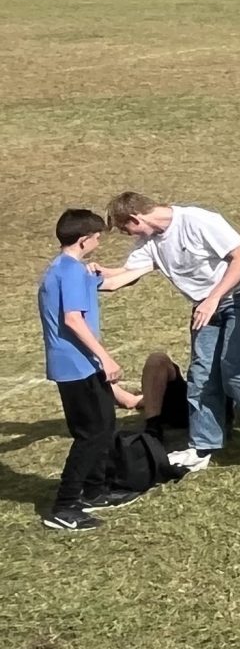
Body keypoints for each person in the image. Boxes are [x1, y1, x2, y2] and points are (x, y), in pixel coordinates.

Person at [99, 192, 240, 473]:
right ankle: (203, 445)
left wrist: (213, 298)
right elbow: (126, 274)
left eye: (126, 229)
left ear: (136, 218)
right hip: (207, 307)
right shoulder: (149, 241)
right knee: (201, 375)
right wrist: (92, 277)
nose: (128, 236)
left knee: (233, 368)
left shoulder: (198, 221)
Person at [39, 209, 138, 531]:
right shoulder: (67, 272)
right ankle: (64, 506)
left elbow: (111, 283)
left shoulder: (71, 269)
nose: (99, 242)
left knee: (105, 426)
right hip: (74, 366)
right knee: (90, 435)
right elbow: (72, 319)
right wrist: (106, 358)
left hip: (84, 364)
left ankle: (95, 491)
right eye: (97, 238)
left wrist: (153, 264)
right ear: (84, 240)